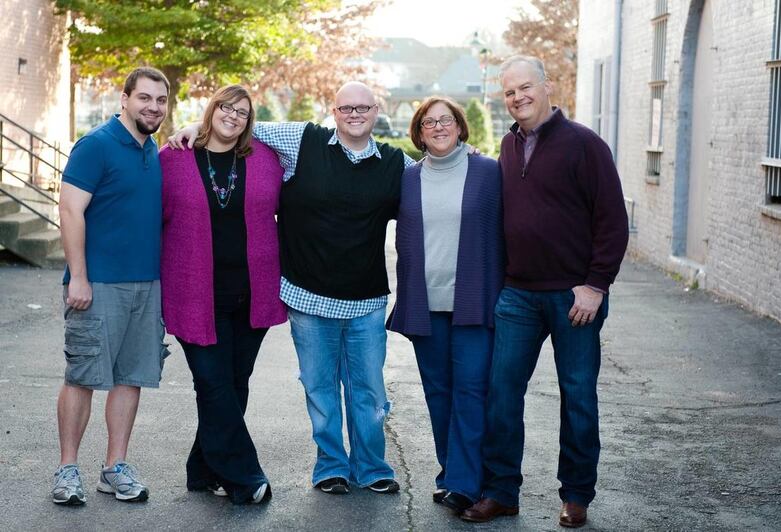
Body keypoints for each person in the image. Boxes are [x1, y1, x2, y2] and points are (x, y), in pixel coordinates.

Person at [168, 81, 416, 495]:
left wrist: (470, 157)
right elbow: (240, 125)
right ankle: (330, 467)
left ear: (377, 111)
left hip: (366, 298)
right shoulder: (302, 139)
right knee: (319, 391)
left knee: (368, 392)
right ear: (333, 111)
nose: (354, 115)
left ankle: (372, 468)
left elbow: (437, 176)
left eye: (363, 108)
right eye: (345, 108)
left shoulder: (396, 165)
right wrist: (197, 123)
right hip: (308, 296)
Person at [461, 56, 629, 527]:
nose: (517, 97)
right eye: (509, 91)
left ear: (547, 86)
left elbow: (613, 223)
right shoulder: (508, 146)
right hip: (518, 294)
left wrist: (596, 285)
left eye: (525, 87)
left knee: (577, 395)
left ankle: (576, 494)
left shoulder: (585, 145)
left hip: (575, 298)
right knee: (501, 392)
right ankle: (501, 491)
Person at [159, 85, 285, 505]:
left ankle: (202, 469)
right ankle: (244, 476)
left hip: (251, 293)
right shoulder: (173, 158)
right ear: (211, 109)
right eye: (226, 108)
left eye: (243, 113)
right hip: (193, 293)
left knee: (234, 383)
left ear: (251, 121)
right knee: (212, 384)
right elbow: (151, 221)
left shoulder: (266, 159)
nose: (233, 116)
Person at [52, 67, 170, 505]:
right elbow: (69, 211)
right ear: (124, 99)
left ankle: (114, 468)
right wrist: (78, 276)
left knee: (130, 377)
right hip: (97, 285)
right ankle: (67, 470)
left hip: (147, 284)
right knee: (82, 376)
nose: (152, 107)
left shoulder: (154, 150)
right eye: (144, 98)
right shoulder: (96, 146)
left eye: (160, 100)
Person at [386, 96, 503, 514]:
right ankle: (451, 472)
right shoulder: (406, 177)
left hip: (474, 302)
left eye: (446, 120)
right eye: (429, 122)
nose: (438, 127)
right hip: (424, 303)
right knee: (439, 393)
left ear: (460, 127)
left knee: (472, 391)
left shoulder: (489, 172)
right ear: (418, 131)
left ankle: (464, 483)